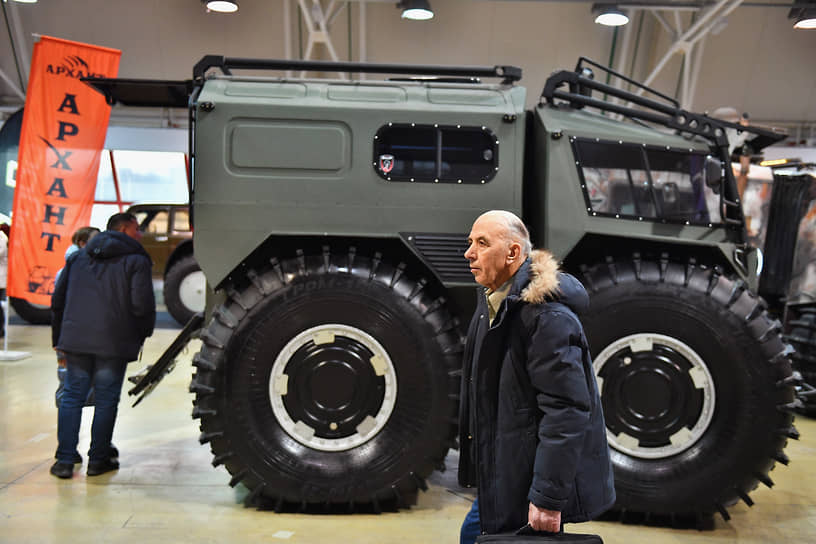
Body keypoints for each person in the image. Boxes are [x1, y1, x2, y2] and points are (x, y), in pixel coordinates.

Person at [458, 210, 615, 542]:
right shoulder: (493, 302)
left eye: (482, 243)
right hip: (506, 470)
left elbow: (567, 411)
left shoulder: (546, 318)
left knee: (473, 535)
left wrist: (546, 497)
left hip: (528, 479)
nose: (469, 253)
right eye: (470, 242)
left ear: (513, 253)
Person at [50, 212, 155, 479]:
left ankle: (64, 461)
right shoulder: (136, 260)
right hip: (114, 340)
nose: (139, 234)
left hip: (75, 339)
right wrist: (142, 335)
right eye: (136, 229)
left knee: (73, 396)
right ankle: (98, 460)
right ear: (123, 228)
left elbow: (58, 300)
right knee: (106, 400)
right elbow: (141, 304)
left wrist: (59, 339)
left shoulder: (77, 258)